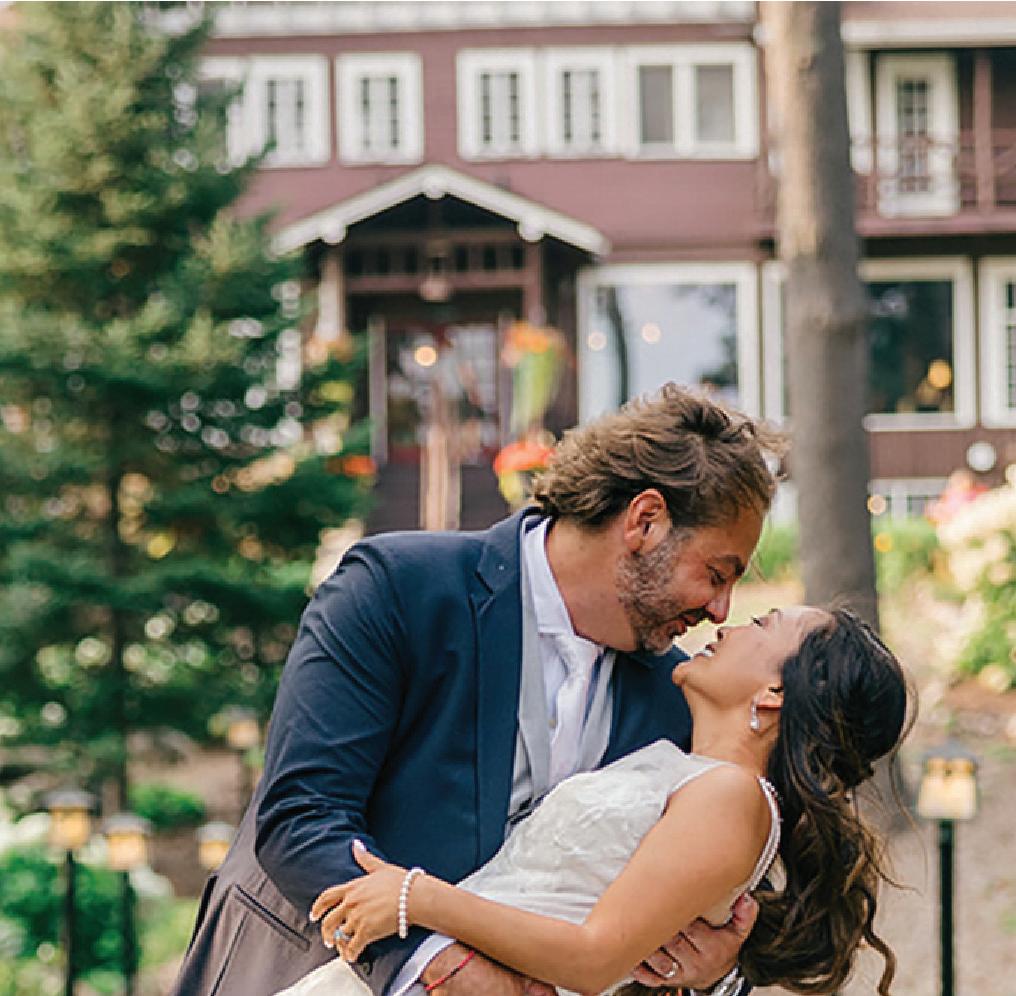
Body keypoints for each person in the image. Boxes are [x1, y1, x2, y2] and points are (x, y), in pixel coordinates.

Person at [171, 384, 782, 996]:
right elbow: (302, 816)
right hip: (298, 972)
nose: (720, 609)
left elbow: (672, 904)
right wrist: (438, 964)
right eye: (716, 573)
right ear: (645, 521)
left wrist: (711, 975)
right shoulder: (398, 589)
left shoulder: (676, 700)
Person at [299, 606, 909, 996]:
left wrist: (419, 898)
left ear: (775, 691)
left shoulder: (733, 797)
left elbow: (593, 959)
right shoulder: (688, 771)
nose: (729, 625)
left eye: (762, 624)